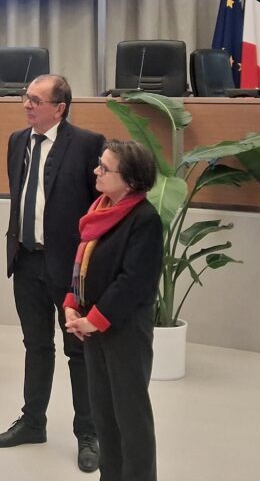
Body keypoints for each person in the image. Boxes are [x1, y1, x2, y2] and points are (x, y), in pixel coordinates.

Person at [0, 74, 105, 474]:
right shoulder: (17, 141)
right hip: (26, 261)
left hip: (70, 268)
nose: (27, 105)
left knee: (79, 351)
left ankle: (89, 433)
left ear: (60, 108)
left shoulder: (87, 144)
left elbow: (99, 208)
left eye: (36, 100)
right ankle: (33, 422)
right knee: (36, 345)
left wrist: (90, 264)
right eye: (26, 98)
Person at [64, 140, 162, 481]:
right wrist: (73, 304)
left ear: (131, 180)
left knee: (131, 417)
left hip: (125, 331)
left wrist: (94, 320)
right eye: (99, 164)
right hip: (94, 329)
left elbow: (133, 282)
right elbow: (84, 266)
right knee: (104, 414)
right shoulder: (100, 209)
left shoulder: (144, 219)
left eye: (105, 168)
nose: (96, 171)